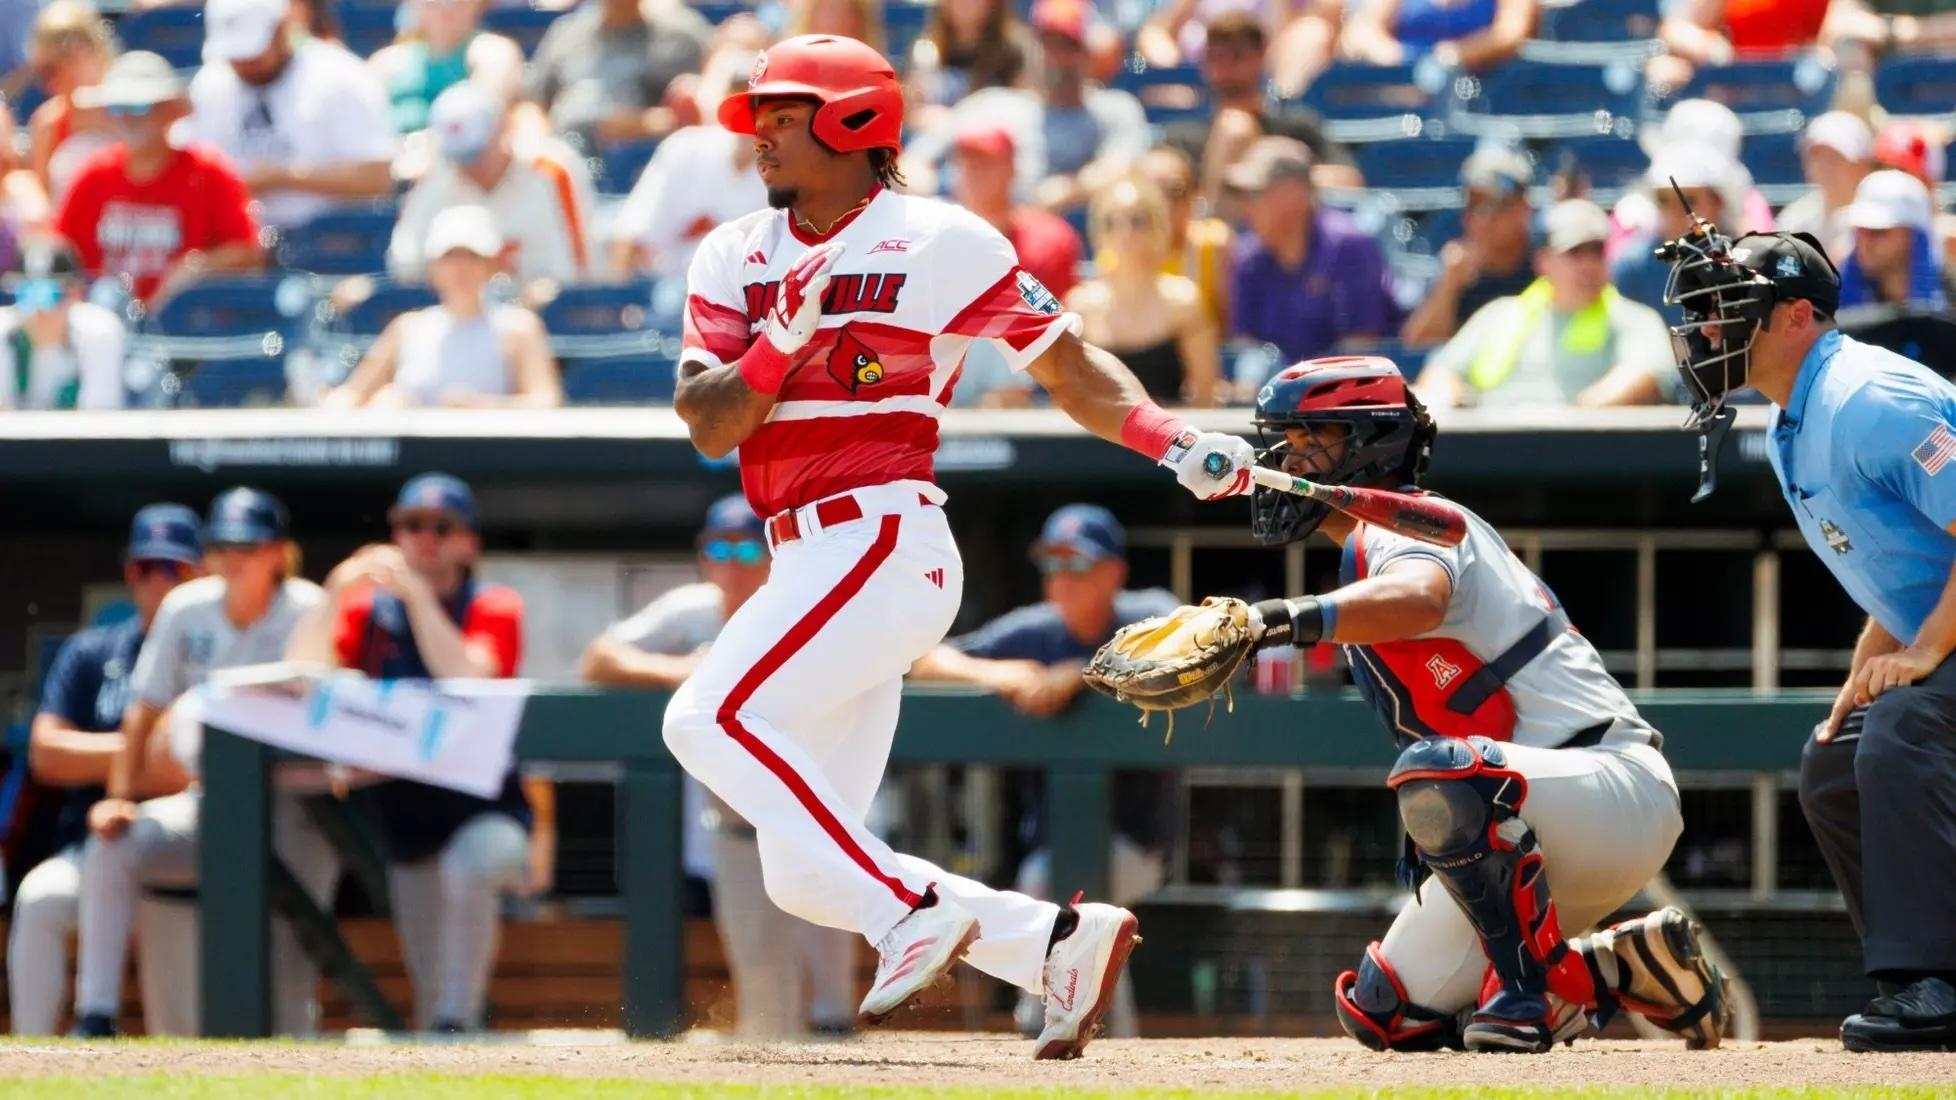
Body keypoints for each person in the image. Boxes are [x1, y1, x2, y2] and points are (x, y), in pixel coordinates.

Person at [670, 33, 1255, 1060]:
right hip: (805, 554)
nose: (759, 131)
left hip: (881, 533)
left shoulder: (940, 238)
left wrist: (1171, 438)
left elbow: (1068, 367)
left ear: (854, 121)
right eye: (757, 112)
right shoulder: (733, 254)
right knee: (801, 868)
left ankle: (907, 906)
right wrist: (779, 342)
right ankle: (1053, 946)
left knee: (704, 714)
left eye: (784, 110)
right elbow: (710, 423)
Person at [1219, 356, 1726, 1053]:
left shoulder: (1408, 521)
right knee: (1387, 1012)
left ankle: (1525, 996)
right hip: (1536, 815)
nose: (1291, 455)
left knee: (1443, 772)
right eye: (1287, 437)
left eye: (1314, 436)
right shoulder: (1366, 546)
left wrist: (1276, 620)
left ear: (1374, 444)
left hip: (1607, 785)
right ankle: (1618, 969)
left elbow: (1420, 596)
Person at [1660, 218, 1956, 1052]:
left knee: (1907, 726)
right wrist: (1871, 667)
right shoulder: (1796, 414)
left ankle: (1936, 982)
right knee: (1836, 759)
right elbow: (1905, 571)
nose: (1709, 332)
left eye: (1728, 310)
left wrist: (1927, 653)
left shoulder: (1868, 399)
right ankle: (1922, 978)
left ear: (1797, 316)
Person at [582, 494, 859, 1039]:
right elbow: (598, 659)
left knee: (832, 1007)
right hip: (737, 829)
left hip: (819, 824)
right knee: (765, 1000)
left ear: (777, 552)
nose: (733, 561)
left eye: (748, 547)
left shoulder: (806, 602)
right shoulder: (691, 609)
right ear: (704, 556)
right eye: (719, 547)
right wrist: (681, 672)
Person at [283, 473, 543, 1033]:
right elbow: (303, 671)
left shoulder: (493, 603)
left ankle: (456, 1022)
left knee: (468, 871)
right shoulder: (368, 611)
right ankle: (454, 1042)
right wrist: (336, 588)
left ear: (468, 542)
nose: (424, 539)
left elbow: (469, 674)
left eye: (440, 527)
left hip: (488, 813)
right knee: (431, 991)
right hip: (408, 822)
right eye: (409, 526)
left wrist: (417, 596)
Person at [909, 503, 1177, 1039]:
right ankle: (1097, 1034)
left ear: (1114, 573)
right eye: (1054, 564)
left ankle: (1053, 1024)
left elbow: (1186, 648)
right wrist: (1001, 672)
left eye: (1078, 564)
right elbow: (925, 660)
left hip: (1141, 845)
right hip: (1052, 841)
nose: (1063, 578)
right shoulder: (1033, 631)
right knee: (1071, 896)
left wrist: (1082, 675)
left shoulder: (1146, 613)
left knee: (1058, 886)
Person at [73, 488, 332, 1038]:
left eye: (247, 544)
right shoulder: (186, 607)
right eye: (219, 544)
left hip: (297, 805)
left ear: (277, 552)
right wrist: (118, 795)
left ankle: (294, 1060)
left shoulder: (310, 608)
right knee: (111, 844)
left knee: (288, 970)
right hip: (209, 802)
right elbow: (142, 713)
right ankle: (96, 1016)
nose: (231, 556)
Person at [7, 505, 202, 1036]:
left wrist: (102, 759)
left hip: (180, 863)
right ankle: (31, 1060)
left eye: (175, 569)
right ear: (129, 573)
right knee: (41, 898)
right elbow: (47, 755)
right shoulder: (93, 653)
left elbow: (191, 773)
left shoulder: (207, 654)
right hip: (91, 846)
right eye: (147, 568)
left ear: (200, 576)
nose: (159, 583)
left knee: (179, 1036)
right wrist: (143, 752)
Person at [1416, 199, 1676, 410]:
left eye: (1596, 251)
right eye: (1574, 252)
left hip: (1584, 459)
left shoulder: (1634, 318)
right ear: (1543, 261)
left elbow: (1645, 375)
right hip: (1492, 455)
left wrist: (1574, 418)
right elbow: (1441, 373)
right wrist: (1454, 401)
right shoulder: (1500, 313)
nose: (1587, 265)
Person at [55, 51, 263, 305]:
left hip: (186, 329)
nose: (127, 117)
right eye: (117, 107)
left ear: (169, 110)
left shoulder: (210, 172)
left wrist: (197, 268)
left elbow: (248, 252)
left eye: (140, 106)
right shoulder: (93, 175)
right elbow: (61, 253)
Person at [183, 0, 395, 231]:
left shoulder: (341, 77)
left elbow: (377, 178)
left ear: (282, 29)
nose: (244, 64)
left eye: (253, 53)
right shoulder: (210, 84)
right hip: (235, 243)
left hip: (331, 247)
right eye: (235, 56)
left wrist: (282, 178)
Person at [329, 205, 562, 410]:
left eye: (472, 256)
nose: (461, 268)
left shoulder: (518, 328)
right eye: (450, 257)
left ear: (491, 265)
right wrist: (380, 407)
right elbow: (353, 395)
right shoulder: (407, 328)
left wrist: (483, 407)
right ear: (433, 267)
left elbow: (545, 400)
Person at [389, 82, 596, 286]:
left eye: (477, 154)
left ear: (503, 129)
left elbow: (579, 273)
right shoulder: (436, 171)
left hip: (543, 314)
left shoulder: (551, 170)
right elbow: (405, 265)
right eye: (459, 158)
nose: (469, 167)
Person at [1226, 135, 1392, 366]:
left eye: (1255, 195)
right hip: (1271, 394)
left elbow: (1360, 347)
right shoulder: (1247, 258)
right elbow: (1244, 347)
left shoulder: (1347, 247)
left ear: (1295, 193)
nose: (1246, 209)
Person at [607, 48, 768, 281]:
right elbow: (631, 234)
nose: (748, 108)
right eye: (739, 96)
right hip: (680, 290)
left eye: (759, 100)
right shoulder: (685, 148)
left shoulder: (794, 164)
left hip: (757, 296)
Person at [1158, 13, 1349, 210]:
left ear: (1261, 55)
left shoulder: (1296, 126)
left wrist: (1282, 174)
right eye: (1215, 56)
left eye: (1237, 55)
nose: (1225, 67)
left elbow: (1348, 179)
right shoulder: (1184, 136)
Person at [1067, 174, 1220, 406]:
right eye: (1112, 222)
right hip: (1097, 441)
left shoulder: (1183, 301)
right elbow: (1071, 397)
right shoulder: (1080, 307)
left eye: (1136, 221)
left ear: (1157, 227)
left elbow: (1206, 397)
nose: (1124, 232)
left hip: (1169, 437)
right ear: (1098, 233)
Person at [1400, 145, 1536, 348]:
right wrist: (1448, 286)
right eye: (1474, 206)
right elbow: (1417, 348)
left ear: (1523, 208)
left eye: (1495, 205)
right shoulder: (1456, 270)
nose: (1483, 218)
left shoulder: (1546, 264)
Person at [526, 0, 709, 151]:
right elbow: (533, 105)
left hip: (640, 169)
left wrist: (643, 123)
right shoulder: (565, 32)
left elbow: (704, 113)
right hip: (568, 157)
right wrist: (541, 142)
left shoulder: (681, 37)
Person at [1610, 146, 1749, 325]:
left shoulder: (1747, 261)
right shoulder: (1632, 268)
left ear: (1719, 202)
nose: (1674, 212)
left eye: (1689, 200)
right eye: (1664, 200)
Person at [950, 125, 1080, 304]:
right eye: (966, 163)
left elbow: (1052, 316)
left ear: (1011, 169)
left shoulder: (1047, 241)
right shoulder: (937, 241)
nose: (973, 172)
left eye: (985, 163)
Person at [0, 237, 127, 410]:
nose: (39, 311)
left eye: (50, 295)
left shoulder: (99, 333)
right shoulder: (4, 333)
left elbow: (98, 421)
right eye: (27, 294)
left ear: (75, 293)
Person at [369, 0, 524, 136]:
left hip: (457, 163)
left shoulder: (493, 52)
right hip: (390, 162)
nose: (445, 4)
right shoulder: (385, 63)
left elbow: (481, 123)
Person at [22, 0, 116, 205]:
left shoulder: (133, 110)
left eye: (54, 68)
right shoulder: (49, 122)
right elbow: (43, 204)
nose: (49, 83)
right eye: (43, 72)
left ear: (88, 52)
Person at [1134, 145, 1233, 337]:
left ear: (1195, 195)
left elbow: (1232, 331)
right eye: (1152, 193)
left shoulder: (1214, 244)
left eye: (1175, 191)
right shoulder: (1120, 250)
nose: (1164, 203)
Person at [906, 0, 1033, 125]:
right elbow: (911, 112)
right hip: (934, 139)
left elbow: (1026, 111)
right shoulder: (925, 49)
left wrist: (957, 121)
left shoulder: (1013, 49)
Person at [1778, 111, 1877, 267]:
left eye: (1834, 158)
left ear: (1862, 165)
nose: (1824, 167)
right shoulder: (1794, 219)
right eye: (1816, 156)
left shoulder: (1881, 220)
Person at [1653, 0, 1829, 87]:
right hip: (1733, 90)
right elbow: (1676, 29)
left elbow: (1833, 41)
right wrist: (1709, 47)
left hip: (1795, 93)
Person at [1840, 170, 1946, 311]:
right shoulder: (1829, 306)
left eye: (1877, 232)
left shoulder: (1951, 302)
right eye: (1860, 231)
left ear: (1911, 236)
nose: (1865, 242)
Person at [1339, 0, 1538, 70]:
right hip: (1401, 92)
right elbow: (1362, 31)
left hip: (1481, 88)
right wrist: (1402, 61)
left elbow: (1511, 33)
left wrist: (1455, 55)